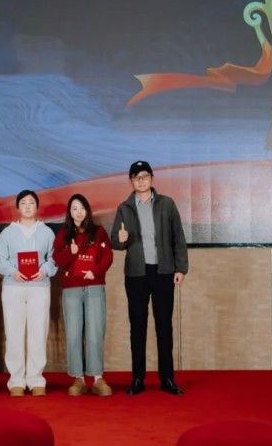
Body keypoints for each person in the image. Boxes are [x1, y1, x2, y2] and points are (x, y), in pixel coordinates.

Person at [110, 161, 188, 396]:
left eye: (145, 176)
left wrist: (180, 268)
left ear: (152, 178)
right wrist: (121, 239)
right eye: (136, 177)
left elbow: (178, 238)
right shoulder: (124, 208)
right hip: (136, 274)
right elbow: (115, 242)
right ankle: (137, 378)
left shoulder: (166, 204)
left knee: (164, 326)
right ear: (131, 181)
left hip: (163, 272)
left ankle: (167, 378)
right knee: (138, 326)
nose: (141, 180)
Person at [0, 190, 58, 397]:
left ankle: (36, 378)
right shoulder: (8, 233)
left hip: (39, 287)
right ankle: (16, 380)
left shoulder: (47, 232)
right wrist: (13, 271)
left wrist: (45, 270)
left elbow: (54, 258)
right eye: (23, 203)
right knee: (14, 332)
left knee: (38, 332)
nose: (28, 206)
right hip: (13, 287)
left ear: (37, 207)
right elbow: (0, 259)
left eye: (31, 202)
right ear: (18, 207)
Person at [52, 194, 114, 396]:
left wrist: (94, 271)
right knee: (74, 333)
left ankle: (97, 378)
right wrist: (71, 252)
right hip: (71, 288)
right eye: (74, 209)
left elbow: (107, 256)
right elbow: (58, 259)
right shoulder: (64, 234)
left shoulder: (99, 232)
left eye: (81, 208)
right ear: (69, 213)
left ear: (87, 210)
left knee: (96, 331)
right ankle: (78, 378)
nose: (78, 212)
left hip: (94, 285)